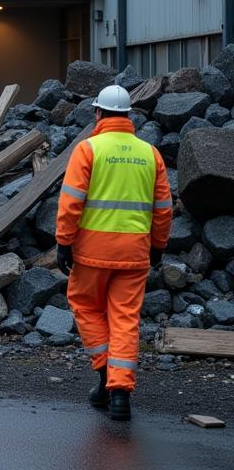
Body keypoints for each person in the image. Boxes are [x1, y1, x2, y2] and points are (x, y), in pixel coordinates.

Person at [55, 84, 172, 421]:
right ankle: (120, 394)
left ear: (98, 113)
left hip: (91, 252)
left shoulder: (88, 149)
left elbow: (71, 202)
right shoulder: (150, 153)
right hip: (135, 253)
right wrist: (158, 246)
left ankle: (105, 372)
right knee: (125, 318)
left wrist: (64, 242)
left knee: (85, 306)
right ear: (129, 116)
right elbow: (163, 208)